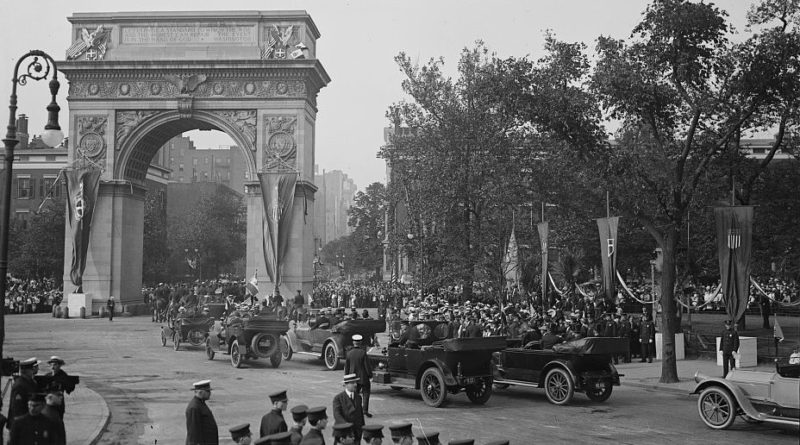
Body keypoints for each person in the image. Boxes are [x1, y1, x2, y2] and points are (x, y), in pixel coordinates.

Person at [7, 357, 40, 431]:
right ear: (27, 370)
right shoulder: (20, 385)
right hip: (19, 424)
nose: (33, 371)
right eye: (32, 369)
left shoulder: (30, 382)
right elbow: (17, 408)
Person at [344, 334, 373, 418]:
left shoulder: (349, 353)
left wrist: (346, 379)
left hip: (353, 378)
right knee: (366, 393)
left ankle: (354, 411)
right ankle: (365, 411)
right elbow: (367, 366)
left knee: (354, 394)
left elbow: (347, 367)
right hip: (363, 377)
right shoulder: (363, 353)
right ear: (360, 343)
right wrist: (370, 375)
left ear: (353, 342)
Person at [332, 374, 364, 443]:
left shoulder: (358, 397)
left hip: (357, 433)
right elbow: (337, 415)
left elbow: (360, 415)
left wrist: (363, 428)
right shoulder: (338, 398)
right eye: (352, 383)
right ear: (346, 385)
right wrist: (347, 427)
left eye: (356, 382)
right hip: (344, 434)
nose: (355, 385)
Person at [186, 379, 218, 445]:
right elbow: (193, 432)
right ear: (200, 392)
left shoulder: (200, 403)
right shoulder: (194, 408)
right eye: (208, 391)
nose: (210, 393)